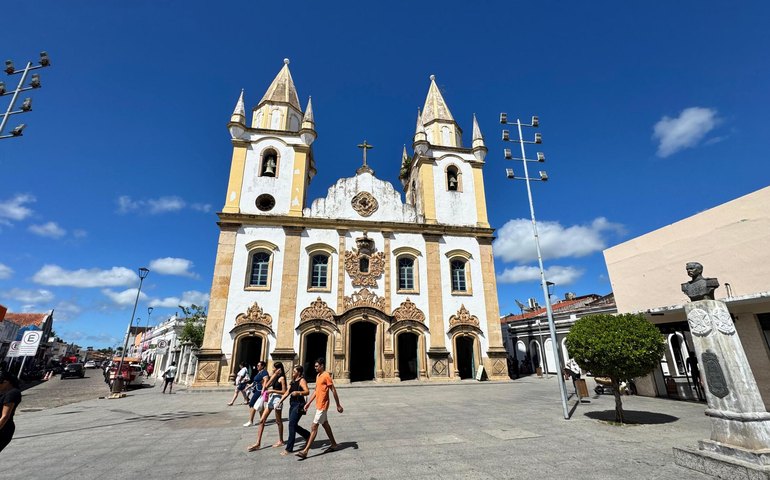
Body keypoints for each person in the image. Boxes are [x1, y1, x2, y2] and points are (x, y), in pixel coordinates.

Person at [296, 357, 343, 460]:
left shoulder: (326, 375)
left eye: (317, 366)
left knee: (314, 427)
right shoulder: (318, 376)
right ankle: (334, 444)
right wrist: (308, 403)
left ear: (322, 366)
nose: (315, 368)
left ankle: (305, 451)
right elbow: (316, 391)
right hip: (318, 405)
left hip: (323, 405)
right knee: (325, 424)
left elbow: (333, 390)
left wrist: (338, 405)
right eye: (315, 366)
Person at [247, 362, 287, 452]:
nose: (272, 369)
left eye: (274, 368)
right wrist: (274, 375)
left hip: (278, 400)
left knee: (278, 421)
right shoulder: (275, 377)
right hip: (272, 398)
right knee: (262, 420)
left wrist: (272, 390)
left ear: (278, 369)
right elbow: (266, 385)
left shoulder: (282, 378)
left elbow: (284, 391)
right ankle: (258, 443)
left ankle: (281, 440)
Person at [278, 365, 311, 455]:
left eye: (294, 372)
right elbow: (287, 392)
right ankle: (307, 435)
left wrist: (298, 393)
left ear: (299, 373)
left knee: (291, 425)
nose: (292, 373)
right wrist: (280, 401)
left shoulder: (302, 380)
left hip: (299, 404)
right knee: (293, 424)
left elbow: (307, 391)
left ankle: (289, 449)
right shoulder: (292, 381)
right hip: (292, 404)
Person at [243, 361, 270, 426]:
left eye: (258, 365)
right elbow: (255, 382)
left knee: (252, 404)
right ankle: (262, 420)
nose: (257, 366)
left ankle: (250, 421)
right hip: (256, 389)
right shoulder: (259, 372)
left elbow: (266, 380)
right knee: (260, 406)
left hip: (260, 390)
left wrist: (263, 389)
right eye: (257, 365)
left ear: (262, 366)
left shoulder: (264, 372)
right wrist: (249, 386)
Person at [0, 369, 22, 453]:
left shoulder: (12, 393)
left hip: (3, 429)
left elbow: (5, 416)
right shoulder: (2, 392)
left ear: (6, 382)